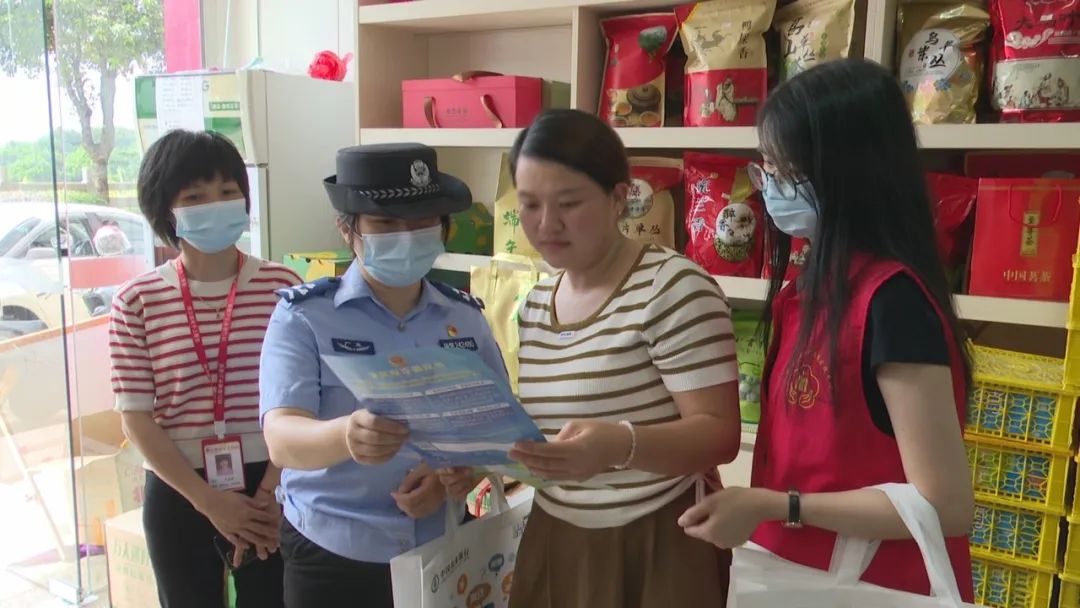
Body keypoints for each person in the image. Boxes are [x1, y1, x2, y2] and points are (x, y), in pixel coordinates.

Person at [677, 58, 976, 599]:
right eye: (765, 168)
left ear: (850, 170)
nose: (768, 186)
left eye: (783, 170)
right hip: (793, 571)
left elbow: (945, 504)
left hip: (873, 584)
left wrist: (779, 505)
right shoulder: (807, 292)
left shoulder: (892, 302)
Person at [466, 109, 742, 607]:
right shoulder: (536, 302)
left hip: (657, 537)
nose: (546, 224)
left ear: (619, 198)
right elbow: (548, 432)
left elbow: (719, 435)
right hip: (557, 533)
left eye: (569, 203)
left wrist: (618, 445)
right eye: (529, 204)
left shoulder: (673, 287)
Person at [259, 143, 507, 608]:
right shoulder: (304, 317)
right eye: (386, 224)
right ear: (347, 229)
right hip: (334, 555)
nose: (406, 237)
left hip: (443, 550)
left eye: (421, 222)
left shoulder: (466, 319)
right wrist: (345, 436)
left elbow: (496, 429)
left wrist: (455, 476)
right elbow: (281, 438)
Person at [110, 129, 298, 607]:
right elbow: (135, 417)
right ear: (165, 211)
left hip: (271, 485)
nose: (215, 204)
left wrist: (270, 492)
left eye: (227, 191)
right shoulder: (136, 301)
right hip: (180, 487)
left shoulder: (283, 287)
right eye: (195, 197)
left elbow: (302, 398)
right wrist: (209, 501)